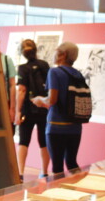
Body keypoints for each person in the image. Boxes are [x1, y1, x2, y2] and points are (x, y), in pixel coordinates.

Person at [32, 41, 83, 176]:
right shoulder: (78, 74)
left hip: (57, 127)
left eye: (56, 51)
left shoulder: (54, 72)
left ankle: (58, 194)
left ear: (63, 55)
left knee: (57, 167)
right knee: (72, 162)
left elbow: (52, 99)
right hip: (75, 127)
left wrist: (39, 100)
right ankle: (79, 190)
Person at [14, 39, 50, 179]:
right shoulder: (45, 65)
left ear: (23, 53)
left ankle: (20, 173)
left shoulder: (22, 68)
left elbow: (21, 90)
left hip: (28, 110)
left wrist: (17, 111)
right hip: (44, 108)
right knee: (44, 141)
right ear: (36, 50)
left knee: (23, 141)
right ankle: (44, 172)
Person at [0, 33, 16, 132]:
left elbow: (12, 85)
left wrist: (12, 109)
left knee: (7, 132)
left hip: (5, 101)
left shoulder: (6, 59)